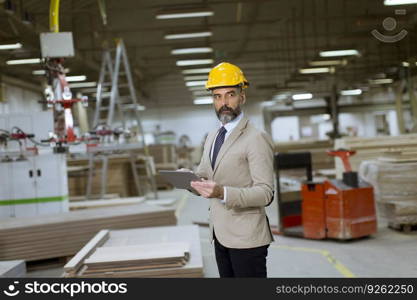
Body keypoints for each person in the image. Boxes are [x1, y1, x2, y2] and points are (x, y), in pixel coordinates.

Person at [190, 62, 275, 278]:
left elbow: (266, 193)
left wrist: (222, 193)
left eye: (230, 95)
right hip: (219, 234)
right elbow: (205, 174)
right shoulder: (212, 136)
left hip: (247, 239)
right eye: (217, 96)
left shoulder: (256, 138)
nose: (224, 103)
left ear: (242, 97)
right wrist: (189, 181)